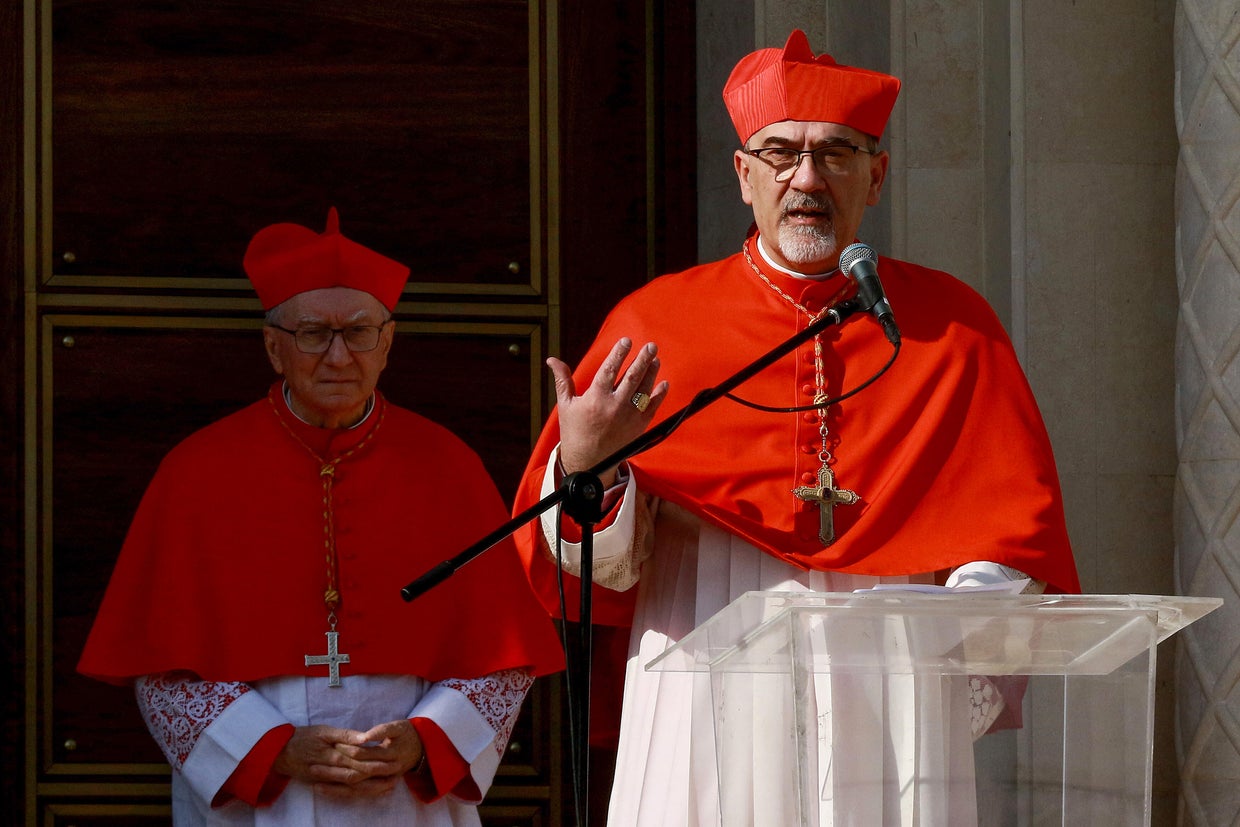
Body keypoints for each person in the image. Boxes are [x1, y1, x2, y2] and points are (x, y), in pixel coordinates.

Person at [512, 30, 1081, 826]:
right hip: (706, 658)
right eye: (780, 153)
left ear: (876, 176)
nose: (806, 178)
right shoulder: (657, 324)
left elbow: (1011, 537)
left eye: (837, 154)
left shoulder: (954, 329)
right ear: (744, 176)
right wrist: (592, 472)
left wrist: (949, 639)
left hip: (891, 683)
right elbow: (591, 564)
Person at [78, 208, 565, 826]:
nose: (339, 356)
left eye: (359, 333)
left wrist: (425, 741)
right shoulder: (197, 470)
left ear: (387, 343)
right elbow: (164, 672)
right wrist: (272, 747)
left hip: (405, 795)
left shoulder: (447, 463)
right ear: (273, 347)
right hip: (259, 795)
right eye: (314, 334)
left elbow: (501, 660)